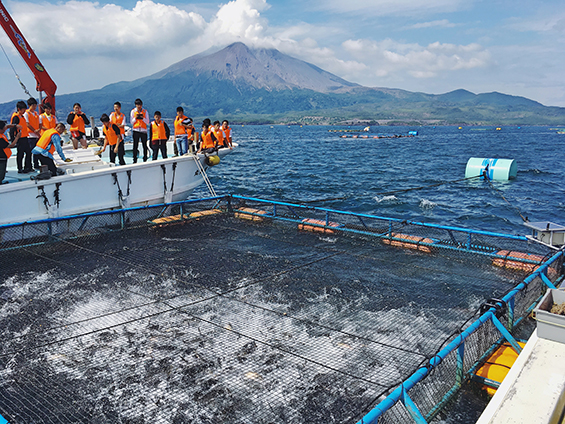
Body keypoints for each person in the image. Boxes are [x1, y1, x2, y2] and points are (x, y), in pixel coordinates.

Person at [10, 100, 32, 173]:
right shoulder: (16, 117)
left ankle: (28, 166)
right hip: (19, 138)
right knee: (20, 154)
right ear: (19, 109)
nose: (24, 111)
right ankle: (20, 168)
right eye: (23, 110)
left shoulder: (21, 116)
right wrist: (13, 139)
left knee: (29, 152)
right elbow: (12, 128)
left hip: (25, 137)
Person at [130, 98, 149, 163]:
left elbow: (147, 121)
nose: (139, 106)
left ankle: (145, 158)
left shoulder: (145, 111)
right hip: (136, 130)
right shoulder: (133, 111)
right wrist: (135, 117)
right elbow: (131, 122)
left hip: (143, 131)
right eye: (137, 105)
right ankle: (134, 159)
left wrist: (142, 117)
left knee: (144, 145)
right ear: (135, 105)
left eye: (140, 105)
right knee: (135, 145)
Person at [24, 98, 41, 169]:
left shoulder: (36, 114)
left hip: (36, 135)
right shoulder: (26, 113)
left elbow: (40, 123)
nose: (34, 107)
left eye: (35, 105)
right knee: (30, 151)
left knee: (37, 151)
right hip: (30, 135)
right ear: (29, 105)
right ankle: (28, 166)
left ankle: (36, 164)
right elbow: (27, 124)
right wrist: (34, 130)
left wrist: (39, 130)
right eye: (33, 105)